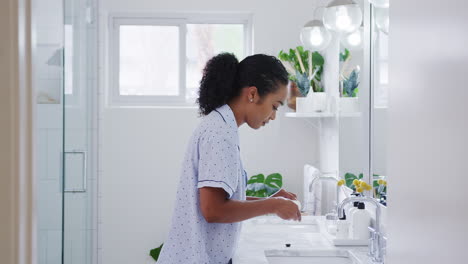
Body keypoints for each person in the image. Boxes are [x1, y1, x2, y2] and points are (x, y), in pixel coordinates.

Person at [157, 53, 302, 264]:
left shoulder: (222, 126)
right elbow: (213, 210)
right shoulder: (220, 134)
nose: (273, 116)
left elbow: (221, 202)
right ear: (252, 94)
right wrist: (272, 205)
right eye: (274, 106)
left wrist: (271, 201)